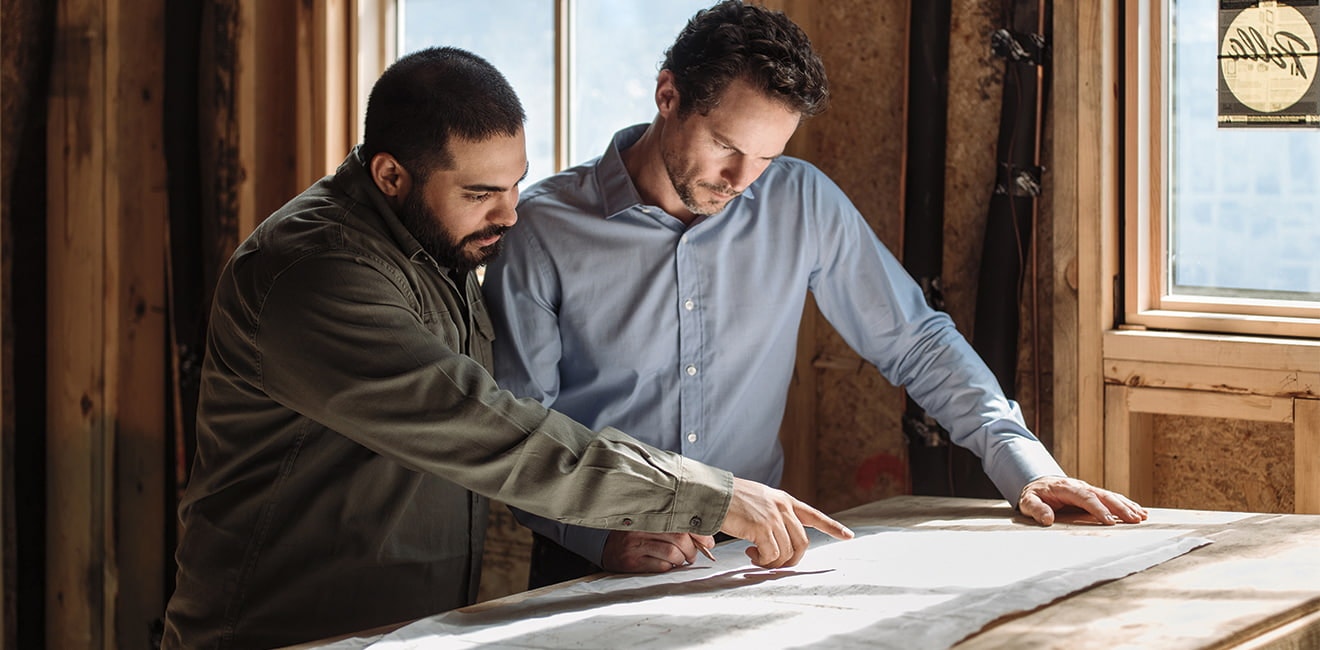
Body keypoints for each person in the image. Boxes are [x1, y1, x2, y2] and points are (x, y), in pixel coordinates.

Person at [161, 46, 852, 650]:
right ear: (391, 176)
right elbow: (493, 431)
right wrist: (706, 494)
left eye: (518, 182)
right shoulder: (318, 276)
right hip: (283, 636)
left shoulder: (439, 242)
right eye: (482, 192)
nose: (511, 214)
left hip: (406, 632)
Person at [482, 0, 1148, 589]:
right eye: (725, 146)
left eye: (766, 157)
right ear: (668, 95)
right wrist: (603, 536)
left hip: (750, 559)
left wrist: (1025, 466)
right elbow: (520, 432)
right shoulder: (543, 230)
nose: (740, 180)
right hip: (592, 564)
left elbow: (916, 341)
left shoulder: (798, 200)